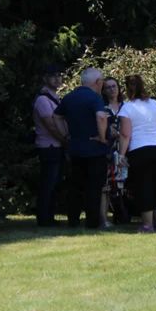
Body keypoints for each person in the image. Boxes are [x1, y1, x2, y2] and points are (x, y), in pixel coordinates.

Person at [53, 67, 109, 229]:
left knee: (75, 185)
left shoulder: (69, 97)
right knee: (94, 187)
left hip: (75, 148)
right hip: (95, 149)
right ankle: (92, 223)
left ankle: (73, 220)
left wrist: (66, 136)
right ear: (97, 82)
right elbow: (101, 117)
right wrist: (102, 137)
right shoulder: (95, 98)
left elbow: (56, 116)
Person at [118, 75, 156, 233]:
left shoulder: (126, 107)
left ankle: (147, 225)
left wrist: (121, 154)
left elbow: (126, 134)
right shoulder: (155, 104)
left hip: (140, 149)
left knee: (144, 187)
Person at [33, 65, 65, 227]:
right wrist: (66, 139)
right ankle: (44, 219)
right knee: (48, 184)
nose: (57, 79)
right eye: (53, 76)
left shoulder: (54, 97)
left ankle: (49, 217)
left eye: (59, 75)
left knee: (54, 184)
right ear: (45, 78)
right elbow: (51, 126)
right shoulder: (43, 99)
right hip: (49, 147)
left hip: (56, 146)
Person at [100, 77, 125, 228]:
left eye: (114, 86)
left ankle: (121, 216)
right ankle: (104, 219)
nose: (112, 89)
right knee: (106, 185)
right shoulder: (102, 108)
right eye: (108, 87)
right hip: (107, 150)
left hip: (124, 150)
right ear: (103, 90)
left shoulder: (127, 107)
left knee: (121, 184)